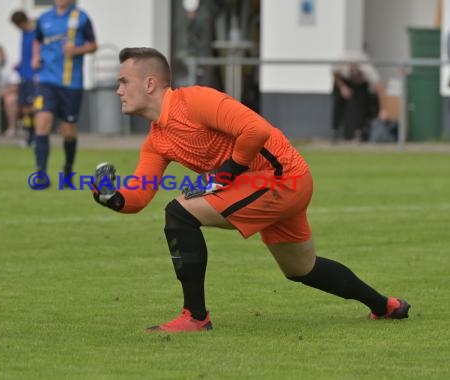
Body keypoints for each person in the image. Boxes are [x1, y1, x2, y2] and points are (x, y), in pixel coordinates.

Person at [91, 47, 410, 332]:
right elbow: (139, 195)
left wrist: (225, 174)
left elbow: (256, 129)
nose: (118, 90)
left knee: (179, 213)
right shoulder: (157, 140)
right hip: (263, 186)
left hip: (283, 178)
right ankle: (385, 307)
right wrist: (112, 197)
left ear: (149, 84)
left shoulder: (194, 100)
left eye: (123, 82)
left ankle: (195, 317)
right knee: (302, 269)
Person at [32, 0, 97, 180]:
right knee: (42, 121)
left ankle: (68, 170)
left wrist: (76, 50)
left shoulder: (81, 18)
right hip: (47, 80)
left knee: (68, 129)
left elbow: (93, 45)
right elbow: (37, 40)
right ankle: (41, 173)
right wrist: (35, 57)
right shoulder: (44, 18)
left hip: (71, 83)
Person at [331, 50, 388, 142]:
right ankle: (335, 130)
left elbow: (380, 88)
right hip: (343, 82)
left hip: (361, 86)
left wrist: (383, 110)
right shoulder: (341, 64)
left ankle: (359, 131)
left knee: (361, 103)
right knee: (338, 101)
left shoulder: (367, 68)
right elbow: (334, 74)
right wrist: (342, 87)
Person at [10, 10, 38, 146]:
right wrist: (20, 65)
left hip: (34, 76)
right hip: (24, 76)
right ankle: (29, 136)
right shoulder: (24, 33)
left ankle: (37, 136)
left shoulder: (36, 32)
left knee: (35, 107)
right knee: (25, 108)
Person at [0, 45, 20, 138]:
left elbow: (15, 87)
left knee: (10, 100)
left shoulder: (10, 66)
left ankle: (12, 128)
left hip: (13, 93)